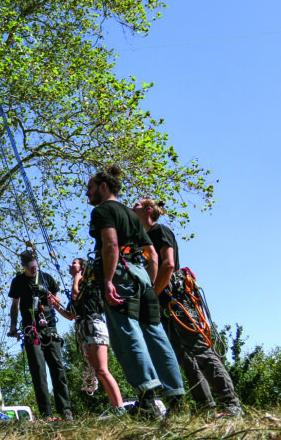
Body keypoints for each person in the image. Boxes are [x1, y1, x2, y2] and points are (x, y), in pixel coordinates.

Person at [86, 166, 184, 418]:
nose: (88, 193)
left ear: (103, 187)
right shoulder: (131, 216)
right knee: (155, 334)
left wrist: (108, 280)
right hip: (141, 275)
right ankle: (176, 399)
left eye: (91, 187)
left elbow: (111, 243)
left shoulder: (103, 210)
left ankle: (147, 399)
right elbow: (152, 254)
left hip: (120, 274)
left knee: (126, 332)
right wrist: (148, 285)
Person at [133, 198, 242, 417]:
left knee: (200, 351)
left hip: (178, 302)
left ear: (147, 210)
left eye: (136, 204)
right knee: (184, 358)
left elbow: (169, 264)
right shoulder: (142, 239)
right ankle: (205, 408)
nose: (131, 207)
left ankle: (231, 404)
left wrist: (152, 294)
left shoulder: (160, 232)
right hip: (162, 307)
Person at [52, 258, 125, 418]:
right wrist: (56, 306)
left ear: (82, 268)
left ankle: (119, 406)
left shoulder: (88, 285)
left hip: (94, 325)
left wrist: (77, 278)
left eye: (74, 263)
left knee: (102, 369)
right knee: (99, 371)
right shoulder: (80, 287)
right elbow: (71, 315)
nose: (70, 265)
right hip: (85, 327)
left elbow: (76, 296)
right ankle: (116, 407)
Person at [8, 249, 73, 421]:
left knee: (58, 369)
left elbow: (57, 303)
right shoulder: (18, 281)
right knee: (38, 372)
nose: (33, 269)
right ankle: (46, 414)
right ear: (23, 266)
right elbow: (15, 306)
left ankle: (65, 410)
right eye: (30, 267)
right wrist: (13, 326)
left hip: (50, 328)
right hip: (31, 330)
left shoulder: (46, 278)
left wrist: (47, 295)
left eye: (35, 266)